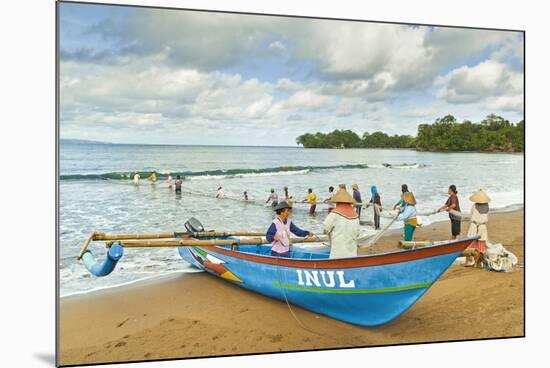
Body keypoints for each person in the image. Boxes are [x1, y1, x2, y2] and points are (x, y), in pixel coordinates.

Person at [323, 184, 361, 259]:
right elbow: (357, 233)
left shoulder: (334, 214)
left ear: (337, 202)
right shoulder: (356, 216)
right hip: (352, 254)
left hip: (337, 254)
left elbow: (325, 228)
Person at [465, 189, 491, 267]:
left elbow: (471, 216)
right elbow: (486, 217)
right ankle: (476, 263)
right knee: (480, 245)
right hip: (482, 227)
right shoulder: (487, 206)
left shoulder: (474, 206)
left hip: (473, 225)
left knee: (469, 244)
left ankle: (467, 262)